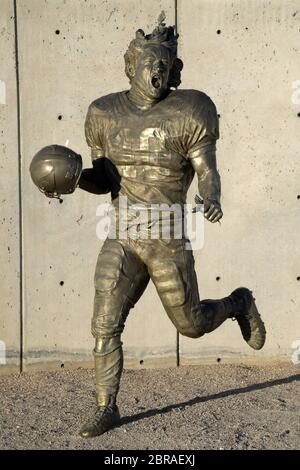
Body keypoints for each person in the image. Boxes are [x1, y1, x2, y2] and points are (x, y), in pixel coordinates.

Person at [31, 13, 266, 438]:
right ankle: (107, 406)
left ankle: (238, 303)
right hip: (122, 234)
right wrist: (72, 178)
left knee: (191, 324)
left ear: (173, 70)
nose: (156, 71)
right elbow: (105, 179)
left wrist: (210, 197)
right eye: (149, 63)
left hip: (166, 235)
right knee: (104, 323)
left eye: (164, 65)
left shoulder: (191, 109)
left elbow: (207, 170)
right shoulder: (104, 112)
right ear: (131, 66)